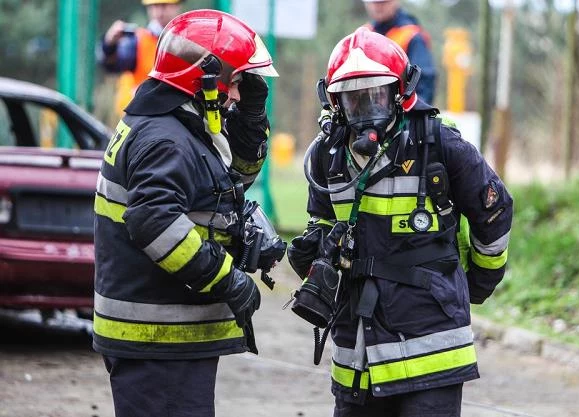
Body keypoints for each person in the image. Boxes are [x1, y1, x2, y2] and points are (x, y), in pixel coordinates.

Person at [287, 28, 512, 417]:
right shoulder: (327, 155)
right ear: (334, 101)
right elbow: (321, 223)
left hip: (433, 354)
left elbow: (495, 213)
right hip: (357, 354)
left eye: (374, 96)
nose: (365, 110)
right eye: (353, 100)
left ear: (399, 92)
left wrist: (475, 284)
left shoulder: (439, 145)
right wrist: (314, 253)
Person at [92, 9, 280, 417]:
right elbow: (154, 222)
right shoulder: (166, 139)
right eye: (234, 83)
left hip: (165, 336)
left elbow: (230, 182)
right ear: (204, 77)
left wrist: (249, 123)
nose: (235, 94)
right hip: (156, 337)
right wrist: (226, 280)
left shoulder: (179, 122)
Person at [99, 0, 184, 117]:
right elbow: (111, 64)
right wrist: (109, 44)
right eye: (154, 6)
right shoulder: (137, 40)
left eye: (164, 6)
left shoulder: (186, 41)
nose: (159, 12)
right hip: (137, 116)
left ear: (177, 6)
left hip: (173, 115)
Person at [362, 0, 436, 105]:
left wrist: (416, 114)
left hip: (402, 110)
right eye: (374, 3)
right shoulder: (364, 33)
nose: (377, 7)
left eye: (383, 2)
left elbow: (425, 82)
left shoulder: (411, 35)